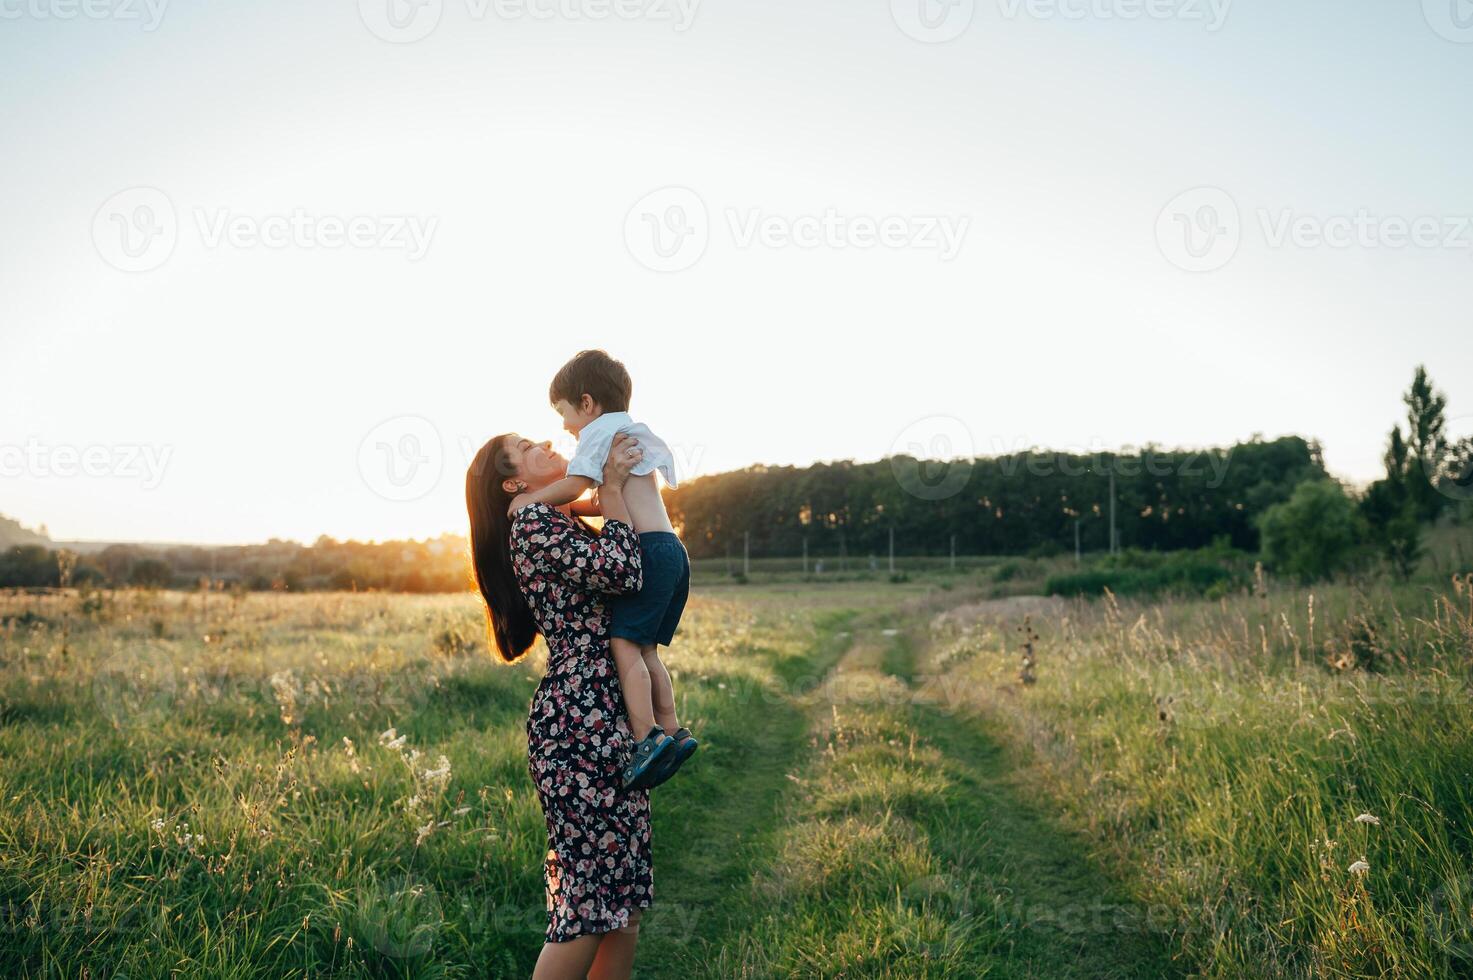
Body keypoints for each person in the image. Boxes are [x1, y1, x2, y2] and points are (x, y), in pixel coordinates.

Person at [465, 430, 661, 979]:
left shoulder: (557, 515)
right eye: (528, 446)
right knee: (591, 906)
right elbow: (624, 573)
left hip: (605, 710)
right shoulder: (529, 522)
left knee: (620, 901)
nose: (545, 443)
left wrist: (612, 486)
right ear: (514, 482)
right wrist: (616, 492)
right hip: (579, 720)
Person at [517, 350, 698, 789]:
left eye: (562, 413)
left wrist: (531, 503)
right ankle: (673, 728)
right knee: (648, 649)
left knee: (626, 647)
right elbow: (601, 500)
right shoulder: (629, 430)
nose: (563, 426)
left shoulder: (598, 435)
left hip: (647, 554)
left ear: (586, 403)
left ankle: (646, 738)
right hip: (671, 549)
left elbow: (579, 485)